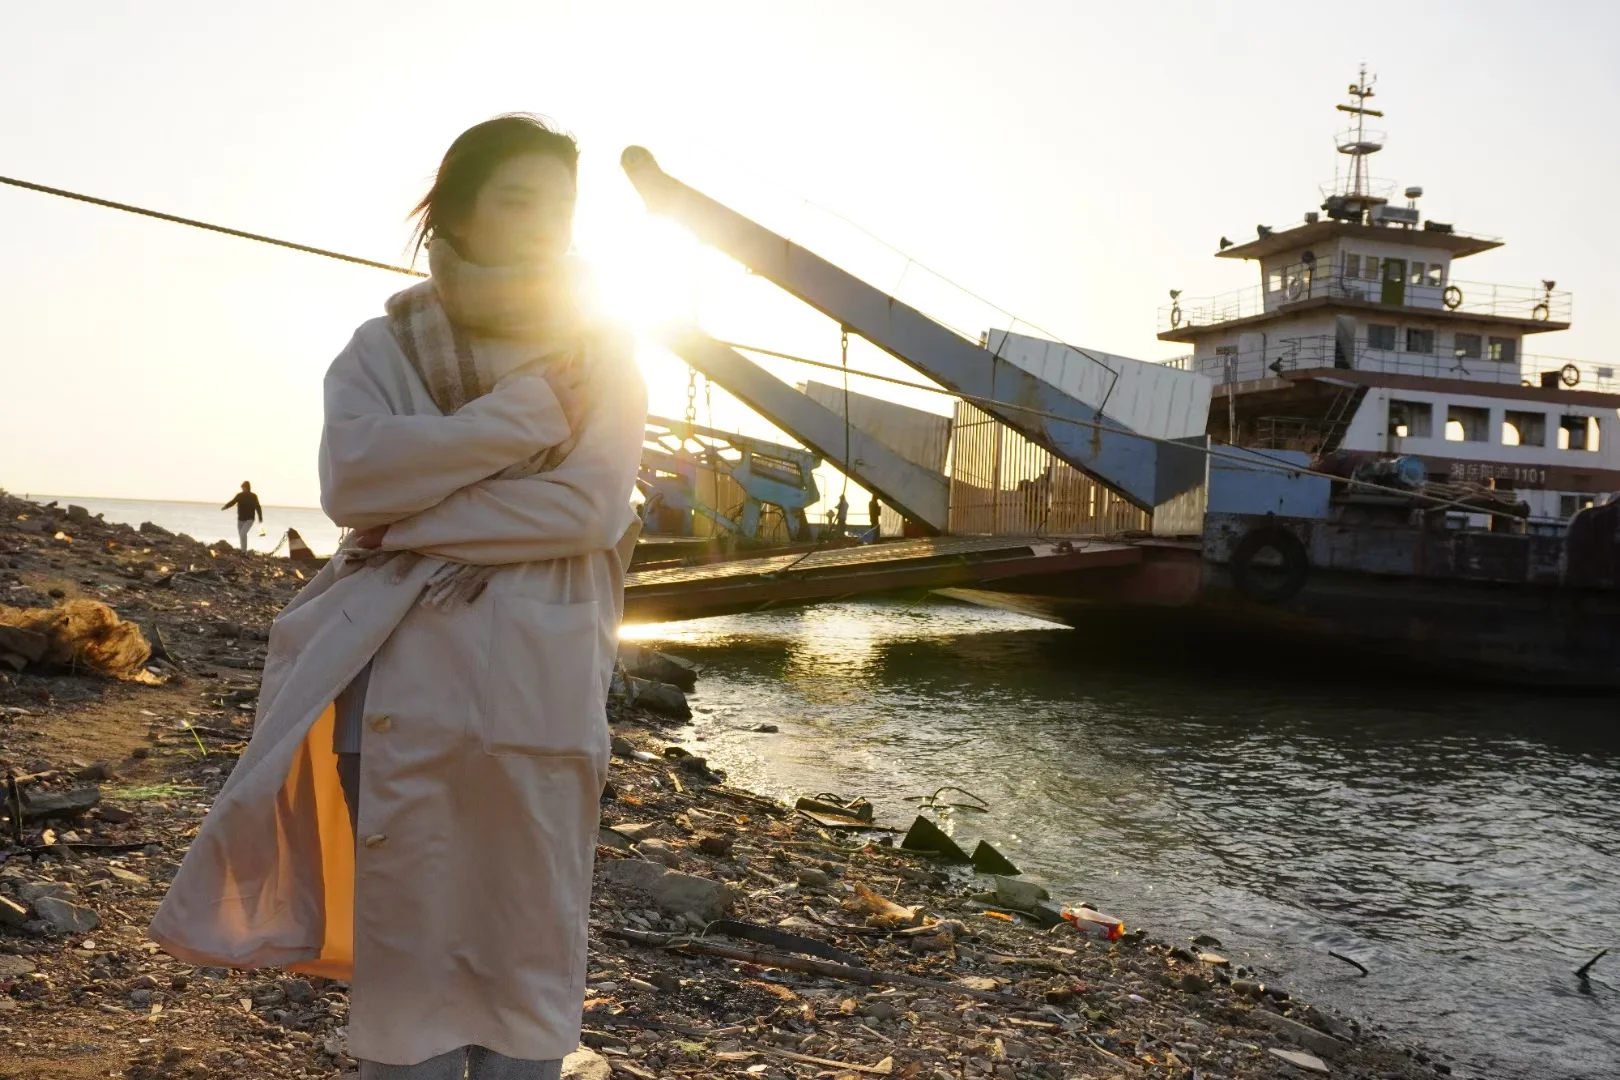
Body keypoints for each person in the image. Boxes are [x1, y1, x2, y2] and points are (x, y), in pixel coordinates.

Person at [151, 114, 646, 1080]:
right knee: (407, 953)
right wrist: (527, 417)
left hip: (538, 688)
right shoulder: (386, 346)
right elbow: (355, 485)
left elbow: (586, 510)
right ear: (459, 207)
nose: (546, 223)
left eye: (562, 206)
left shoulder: (604, 354)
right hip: (391, 686)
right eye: (518, 199)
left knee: (525, 952)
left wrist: (415, 520)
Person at [222, 481, 263, 551]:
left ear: (247, 487)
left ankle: (243, 551)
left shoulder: (253, 496)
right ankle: (243, 551)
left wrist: (260, 517)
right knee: (242, 536)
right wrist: (226, 506)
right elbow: (233, 502)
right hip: (240, 519)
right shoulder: (239, 495)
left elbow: (258, 507)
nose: (243, 489)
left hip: (249, 519)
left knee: (242, 534)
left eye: (244, 487)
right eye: (242, 487)